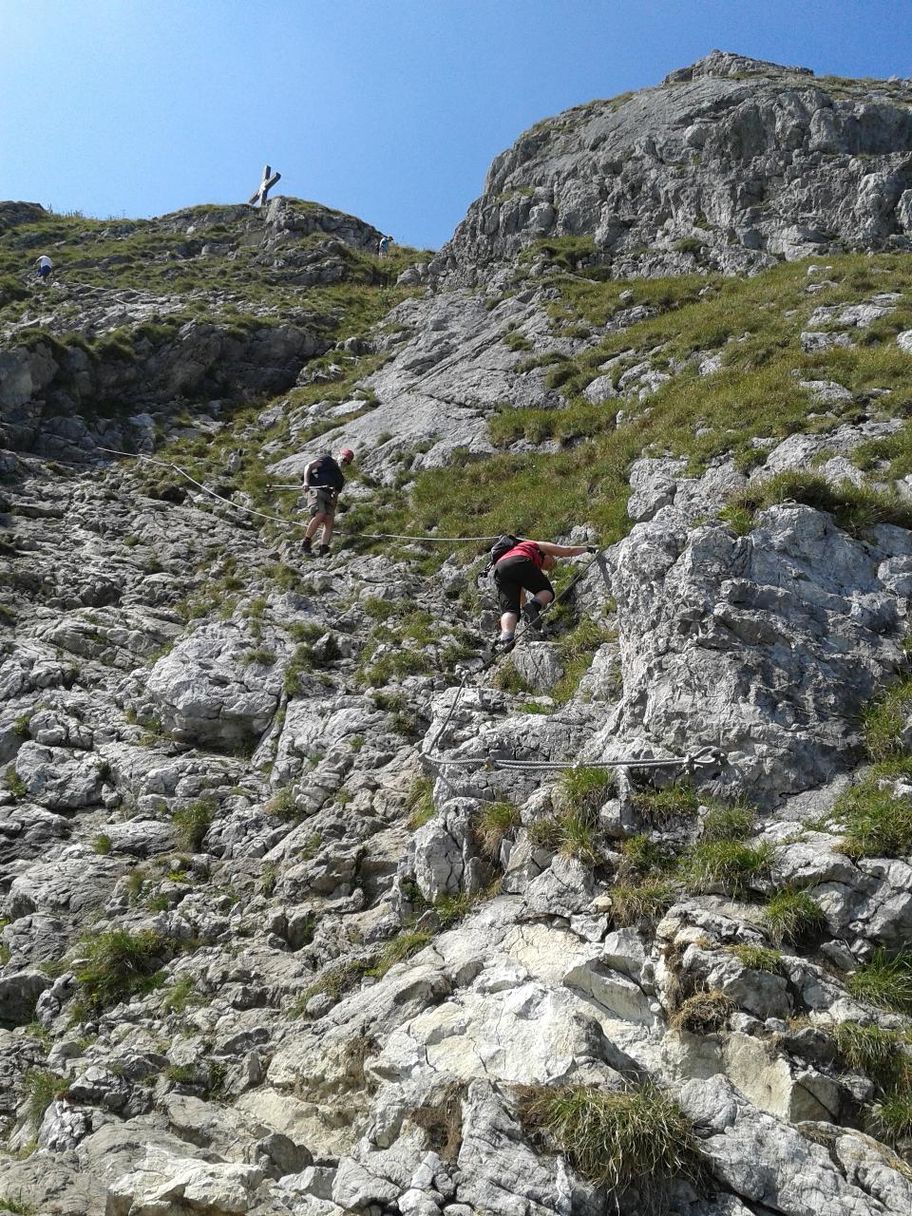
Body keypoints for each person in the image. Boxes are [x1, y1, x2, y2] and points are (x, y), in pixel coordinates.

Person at [492, 537, 596, 649]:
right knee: (547, 591)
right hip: (520, 560)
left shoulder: (514, 552)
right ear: (546, 554)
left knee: (510, 610)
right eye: (552, 560)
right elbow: (568, 550)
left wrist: (526, 607)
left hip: (500, 569)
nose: (549, 567)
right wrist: (588, 549)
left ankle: (506, 638)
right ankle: (535, 604)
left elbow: (519, 593)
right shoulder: (535, 545)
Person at [301, 448, 354, 556]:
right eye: (344, 459)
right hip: (316, 490)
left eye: (347, 462)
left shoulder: (340, 478)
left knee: (329, 520)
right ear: (339, 455)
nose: (345, 462)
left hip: (328, 496)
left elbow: (336, 493)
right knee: (320, 514)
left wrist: (333, 503)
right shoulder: (327, 460)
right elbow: (309, 466)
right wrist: (306, 482)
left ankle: (323, 548)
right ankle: (305, 544)